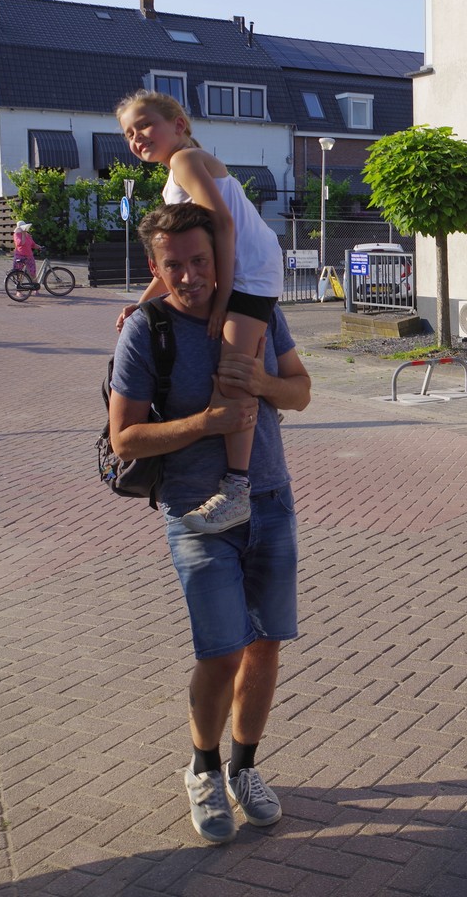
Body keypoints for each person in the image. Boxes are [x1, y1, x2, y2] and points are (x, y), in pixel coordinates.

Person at [106, 201, 310, 845]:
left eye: (200, 261)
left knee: (266, 644)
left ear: (218, 256)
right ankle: (203, 767)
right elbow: (124, 438)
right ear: (154, 268)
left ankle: (245, 767)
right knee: (220, 652)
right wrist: (205, 424)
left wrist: (263, 384)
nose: (191, 276)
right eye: (175, 266)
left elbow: (301, 390)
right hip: (196, 514)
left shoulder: (256, 310)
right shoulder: (147, 330)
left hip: (271, 500)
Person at [115, 89, 285, 535]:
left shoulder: (185, 160)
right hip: (243, 270)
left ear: (179, 125)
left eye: (145, 125)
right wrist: (144, 302)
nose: (137, 137)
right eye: (129, 133)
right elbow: (178, 254)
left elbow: (222, 224)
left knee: (234, 372)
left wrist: (224, 298)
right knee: (235, 368)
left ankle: (237, 490)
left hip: (251, 273)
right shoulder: (178, 170)